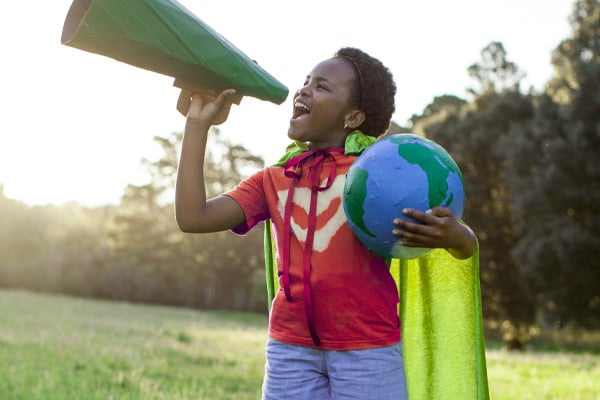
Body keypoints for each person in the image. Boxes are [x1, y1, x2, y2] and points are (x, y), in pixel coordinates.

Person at [175, 47, 477, 400]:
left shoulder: (379, 173)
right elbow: (193, 217)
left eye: (321, 87)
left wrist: (457, 235)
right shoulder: (274, 179)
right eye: (306, 82)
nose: (303, 91)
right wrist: (196, 123)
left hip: (369, 353)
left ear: (352, 117)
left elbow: (464, 244)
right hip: (290, 352)